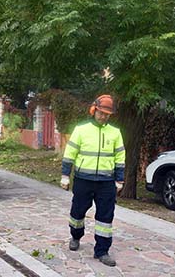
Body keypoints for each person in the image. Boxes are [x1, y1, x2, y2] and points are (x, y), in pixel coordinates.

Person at [60, 94, 125, 267]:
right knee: (77, 211)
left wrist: (120, 180)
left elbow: (120, 157)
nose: (103, 116)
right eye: (101, 112)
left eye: (107, 114)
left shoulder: (115, 133)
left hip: (106, 182)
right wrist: (65, 176)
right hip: (83, 179)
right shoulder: (81, 130)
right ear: (94, 110)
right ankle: (75, 235)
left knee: (105, 217)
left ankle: (102, 251)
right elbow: (69, 154)